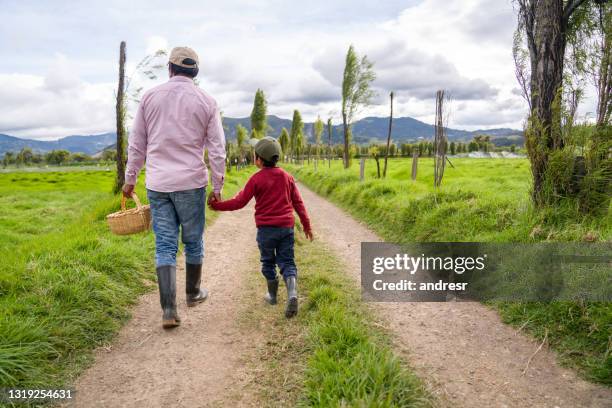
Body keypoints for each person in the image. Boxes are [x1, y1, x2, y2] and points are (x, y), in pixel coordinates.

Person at [122, 46, 226, 329]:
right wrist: (217, 185)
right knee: (193, 241)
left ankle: (169, 309)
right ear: (195, 72)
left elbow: (137, 144)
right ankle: (193, 294)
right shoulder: (206, 101)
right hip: (191, 183)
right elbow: (217, 149)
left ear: (169, 68)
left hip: (158, 184)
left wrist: (130, 179)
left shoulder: (149, 97)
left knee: (165, 244)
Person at [208, 137, 313, 318]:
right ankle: (292, 293)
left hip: (266, 230)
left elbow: (239, 202)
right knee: (287, 261)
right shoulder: (288, 177)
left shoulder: (256, 179)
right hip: (286, 227)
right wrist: (306, 225)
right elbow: (298, 203)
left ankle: (272, 295)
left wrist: (217, 206)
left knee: (267, 262)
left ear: (258, 159)